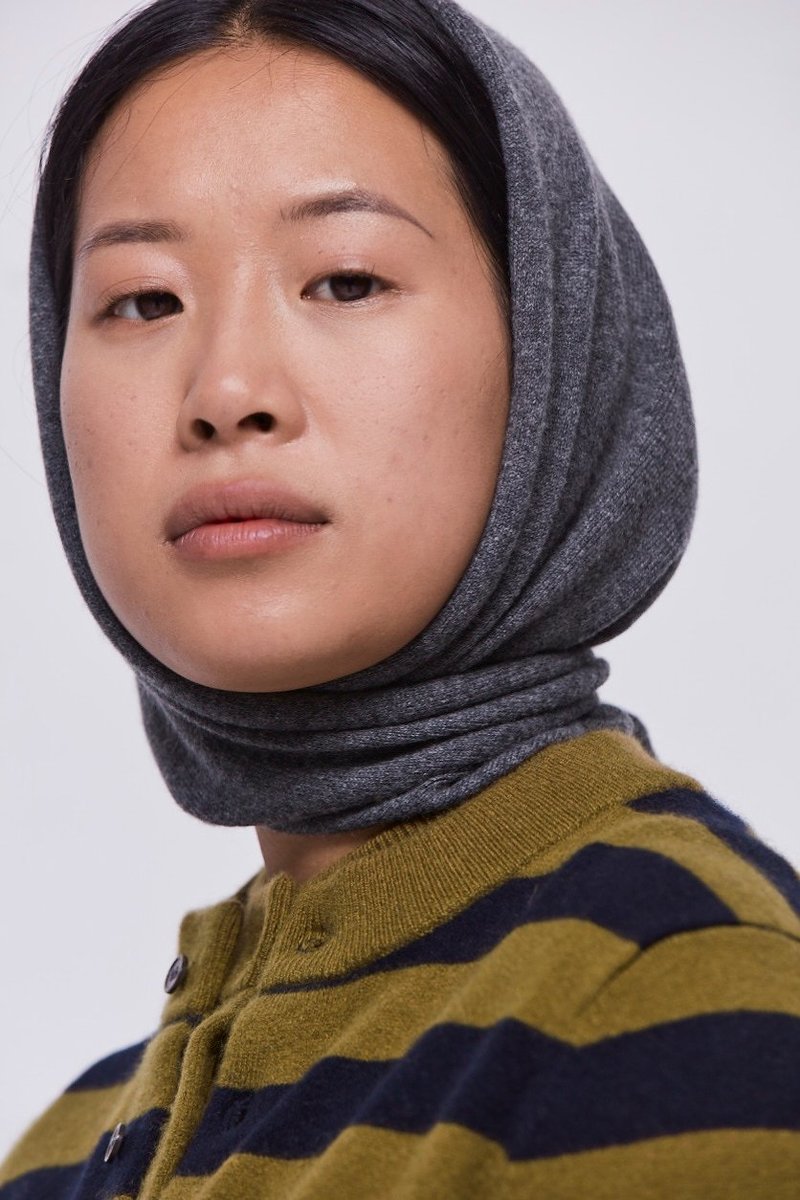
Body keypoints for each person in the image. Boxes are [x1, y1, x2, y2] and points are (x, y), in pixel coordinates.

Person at [2, 0, 799, 1195]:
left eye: (345, 280)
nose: (225, 391)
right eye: (144, 301)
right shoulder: (59, 1156)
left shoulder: (681, 998)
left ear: (551, 350)